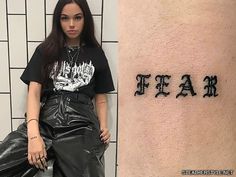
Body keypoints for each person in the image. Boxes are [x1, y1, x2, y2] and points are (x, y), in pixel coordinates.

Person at [0, 0, 114, 176]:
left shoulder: (96, 53)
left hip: (81, 125)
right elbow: (34, 93)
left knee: (87, 171)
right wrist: (33, 136)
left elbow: (101, 97)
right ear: (57, 21)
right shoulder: (45, 50)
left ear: (86, 19)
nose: (71, 24)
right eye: (64, 18)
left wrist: (104, 126)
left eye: (77, 18)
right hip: (45, 121)